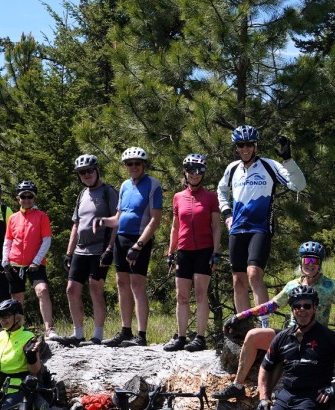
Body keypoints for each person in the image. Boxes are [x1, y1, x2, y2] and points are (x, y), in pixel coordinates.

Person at [214, 241, 335, 399]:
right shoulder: (293, 285)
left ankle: (268, 398)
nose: (311, 264)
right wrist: (241, 315)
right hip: (291, 334)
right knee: (253, 335)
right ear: (301, 262)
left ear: (320, 264)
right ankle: (238, 385)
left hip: (315, 338)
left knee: (285, 358)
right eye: (307, 260)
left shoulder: (330, 286)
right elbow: (271, 306)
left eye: (315, 261)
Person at [217, 124, 306, 320]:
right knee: (238, 281)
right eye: (241, 145)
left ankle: (263, 325)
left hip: (260, 227)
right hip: (237, 229)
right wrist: (226, 214)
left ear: (255, 146)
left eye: (249, 144)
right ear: (236, 147)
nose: (245, 149)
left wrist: (288, 159)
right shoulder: (232, 168)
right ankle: (243, 326)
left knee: (254, 274)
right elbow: (221, 190)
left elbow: (299, 184)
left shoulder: (269, 165)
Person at [97, 147, 163, 347]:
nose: (133, 167)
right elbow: (117, 218)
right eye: (129, 164)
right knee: (122, 283)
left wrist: (139, 245)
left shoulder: (153, 185)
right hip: (121, 239)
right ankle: (126, 330)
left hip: (139, 239)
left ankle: (141, 335)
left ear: (144, 165)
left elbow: (155, 220)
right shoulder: (125, 185)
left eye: (137, 163)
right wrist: (102, 221)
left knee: (137, 284)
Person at [54, 155, 119, 346]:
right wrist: (68, 252)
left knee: (95, 288)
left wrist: (110, 249)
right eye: (82, 172)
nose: (87, 174)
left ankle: (97, 336)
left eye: (90, 170)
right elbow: (76, 224)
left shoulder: (109, 192)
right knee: (71, 289)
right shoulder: (82, 194)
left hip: (100, 249)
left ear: (97, 170)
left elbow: (117, 222)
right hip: (81, 251)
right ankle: (78, 334)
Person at [164, 154, 222, 352]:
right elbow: (175, 227)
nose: (194, 174)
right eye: (190, 170)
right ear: (185, 172)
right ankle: (180, 337)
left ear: (203, 173)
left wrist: (216, 252)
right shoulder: (178, 197)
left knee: (200, 294)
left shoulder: (211, 197)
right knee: (181, 296)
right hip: (183, 251)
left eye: (199, 170)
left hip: (204, 250)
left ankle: (200, 337)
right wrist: (170, 253)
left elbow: (216, 227)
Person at [2, 180, 57, 339]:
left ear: (34, 198)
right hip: (15, 263)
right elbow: (8, 241)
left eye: (30, 197)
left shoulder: (41, 216)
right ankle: (18, 331)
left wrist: (36, 260)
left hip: (36, 263)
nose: (26, 200)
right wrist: (5, 260)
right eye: (23, 197)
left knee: (42, 290)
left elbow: (46, 240)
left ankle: (49, 329)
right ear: (17, 198)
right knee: (17, 299)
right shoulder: (13, 218)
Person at [0, 298, 46, 409]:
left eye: (6, 316)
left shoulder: (28, 337)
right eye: (0, 316)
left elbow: (35, 370)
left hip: (17, 387)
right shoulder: (0, 336)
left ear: (17, 317)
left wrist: (31, 357)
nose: (2, 319)